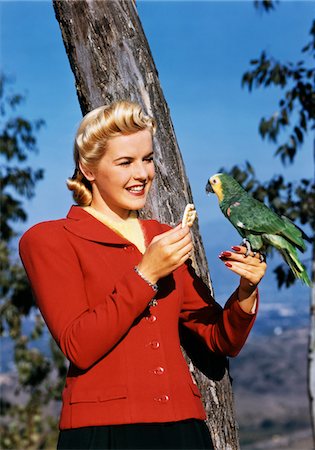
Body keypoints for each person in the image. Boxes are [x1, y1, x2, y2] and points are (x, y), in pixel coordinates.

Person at [19, 100, 267, 450]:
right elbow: (78, 345)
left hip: (184, 430)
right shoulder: (48, 240)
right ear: (88, 169)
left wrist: (246, 292)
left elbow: (217, 338)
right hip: (102, 433)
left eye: (147, 159)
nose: (142, 174)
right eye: (125, 162)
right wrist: (146, 273)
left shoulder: (163, 235)